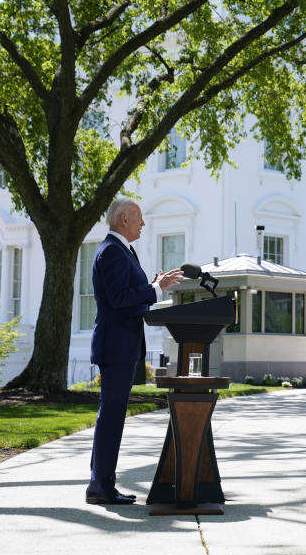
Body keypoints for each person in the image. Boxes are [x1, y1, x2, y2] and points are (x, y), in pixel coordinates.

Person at [85, 198, 183, 505]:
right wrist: (157, 288)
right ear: (124, 219)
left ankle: (102, 484)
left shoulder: (122, 250)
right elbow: (118, 298)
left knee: (113, 416)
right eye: (139, 219)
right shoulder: (112, 251)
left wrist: (152, 287)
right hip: (115, 347)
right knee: (111, 416)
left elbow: (129, 297)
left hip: (122, 346)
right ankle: (100, 486)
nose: (143, 224)